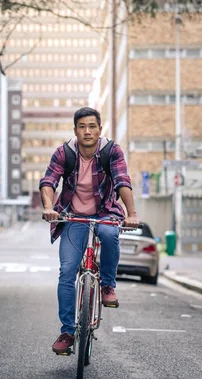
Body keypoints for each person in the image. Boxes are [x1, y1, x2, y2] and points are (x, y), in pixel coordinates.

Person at [39, 107, 139, 355]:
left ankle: (107, 285)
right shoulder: (65, 153)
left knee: (108, 234)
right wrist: (49, 207)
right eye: (82, 126)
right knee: (67, 272)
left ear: (99, 129)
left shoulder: (111, 151)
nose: (87, 131)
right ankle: (67, 332)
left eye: (92, 126)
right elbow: (48, 181)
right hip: (73, 216)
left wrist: (132, 213)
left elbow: (122, 181)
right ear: (75, 130)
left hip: (105, 211)